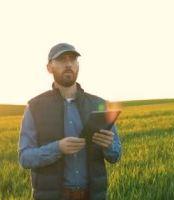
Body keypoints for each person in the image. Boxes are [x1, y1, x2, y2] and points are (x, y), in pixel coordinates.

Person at [18, 43, 122, 200]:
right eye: (61, 59)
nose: (68, 64)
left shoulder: (99, 105)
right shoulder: (35, 108)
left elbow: (116, 155)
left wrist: (109, 145)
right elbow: (25, 158)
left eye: (73, 59)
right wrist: (57, 148)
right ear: (49, 68)